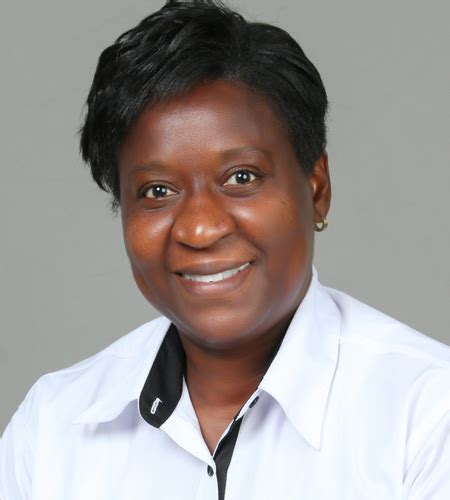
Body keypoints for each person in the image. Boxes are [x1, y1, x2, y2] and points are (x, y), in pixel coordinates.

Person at [1, 0, 449, 498]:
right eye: (157, 190)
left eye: (242, 177)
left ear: (317, 188)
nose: (200, 229)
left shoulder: (427, 414)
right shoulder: (54, 427)